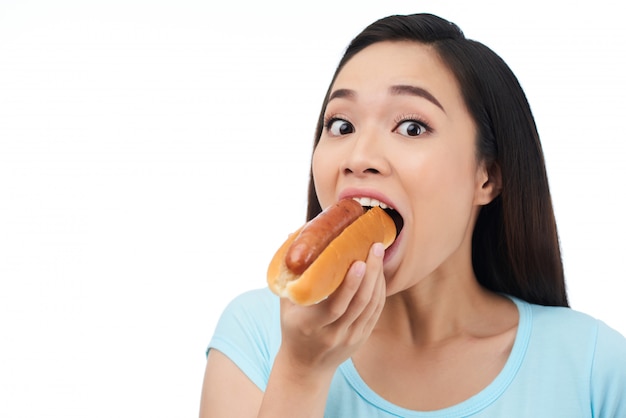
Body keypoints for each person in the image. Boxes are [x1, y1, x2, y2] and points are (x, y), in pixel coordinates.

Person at [199, 13, 626, 417]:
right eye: (342, 126)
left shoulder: (595, 366)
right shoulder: (256, 334)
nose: (359, 156)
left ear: (487, 177)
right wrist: (300, 373)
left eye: (411, 127)